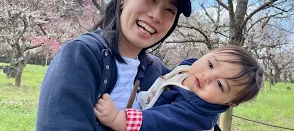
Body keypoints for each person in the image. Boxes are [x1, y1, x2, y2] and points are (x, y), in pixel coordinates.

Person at [36, 0, 191, 131]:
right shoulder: (81, 55)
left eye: (170, 10)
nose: (156, 15)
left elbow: (202, 105)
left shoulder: (158, 72)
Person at [94, 45, 263, 131]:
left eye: (219, 84)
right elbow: (170, 78)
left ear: (230, 102)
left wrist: (116, 118)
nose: (206, 77)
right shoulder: (188, 70)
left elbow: (158, 121)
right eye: (210, 64)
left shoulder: (196, 112)